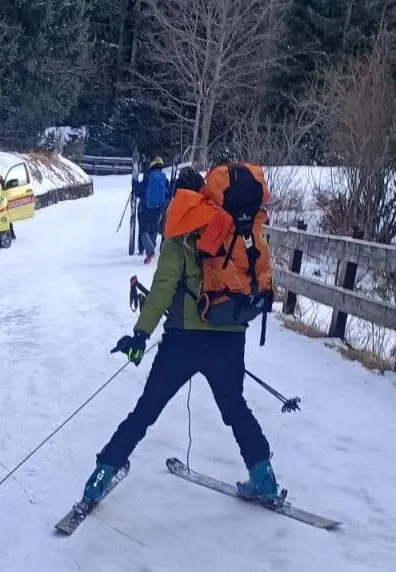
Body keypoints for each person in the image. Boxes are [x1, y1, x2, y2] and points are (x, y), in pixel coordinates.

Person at [81, 163, 280, 506]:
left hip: (182, 340)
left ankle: (101, 475)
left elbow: (162, 289)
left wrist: (141, 335)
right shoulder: (242, 228)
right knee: (235, 409)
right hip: (230, 335)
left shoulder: (181, 232)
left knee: (146, 410)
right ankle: (264, 478)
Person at [137, 157, 169, 263]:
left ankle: (148, 250)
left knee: (144, 230)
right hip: (159, 208)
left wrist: (134, 184)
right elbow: (168, 192)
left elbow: (140, 190)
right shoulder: (164, 177)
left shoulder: (148, 176)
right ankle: (152, 247)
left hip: (146, 207)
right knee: (154, 228)